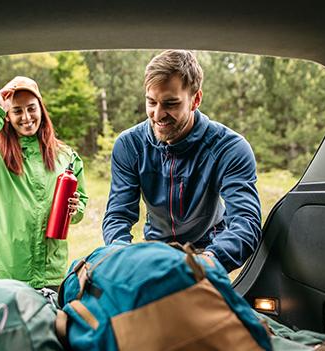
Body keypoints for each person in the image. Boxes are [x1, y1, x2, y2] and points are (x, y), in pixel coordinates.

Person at [102, 50, 261, 272]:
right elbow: (118, 215)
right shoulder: (129, 145)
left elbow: (246, 222)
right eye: (151, 102)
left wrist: (206, 262)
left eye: (170, 104)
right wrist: (123, 256)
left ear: (195, 99)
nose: (157, 115)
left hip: (210, 249)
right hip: (156, 250)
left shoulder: (230, 148)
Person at [0, 76, 88, 289]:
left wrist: (74, 208)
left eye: (31, 108)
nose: (26, 117)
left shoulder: (66, 157)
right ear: (7, 116)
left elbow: (80, 205)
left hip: (52, 274)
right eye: (17, 111)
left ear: (41, 109)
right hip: (6, 274)